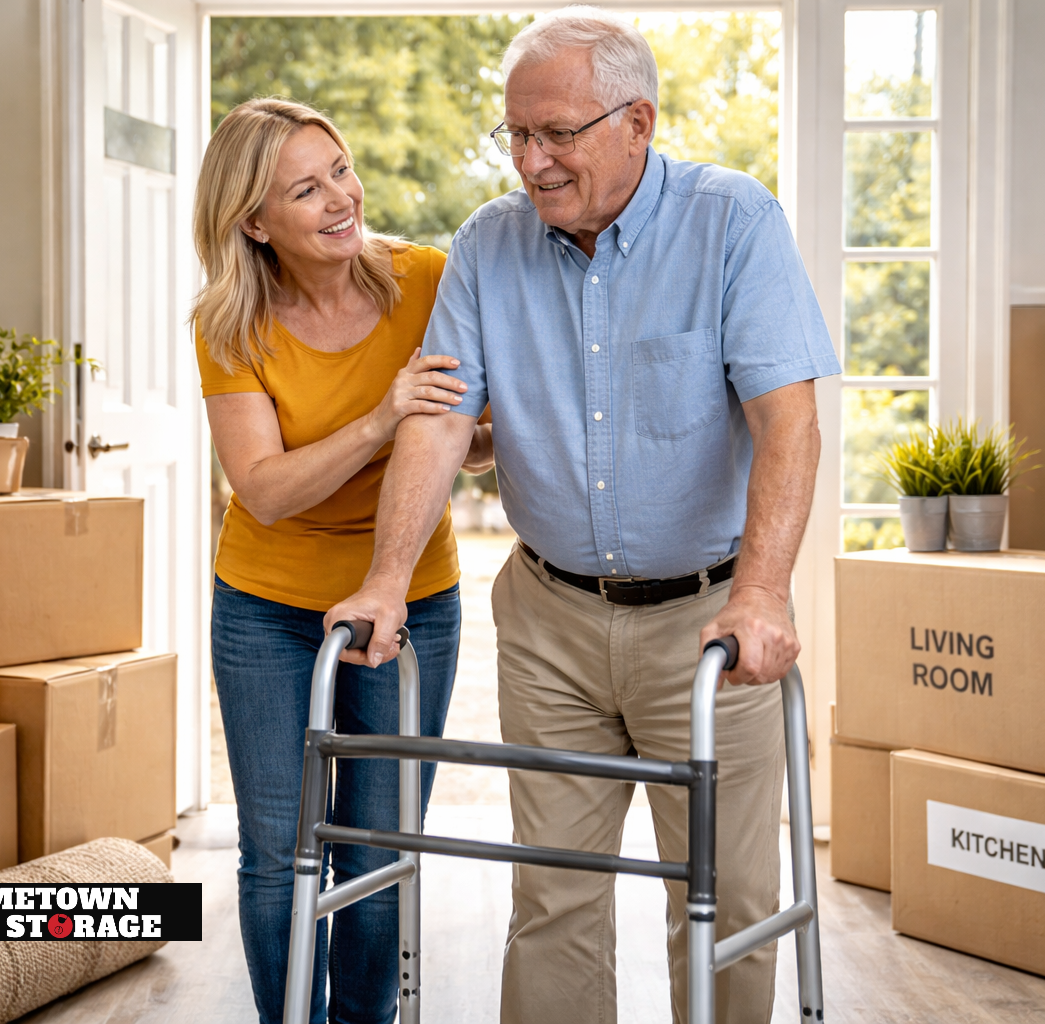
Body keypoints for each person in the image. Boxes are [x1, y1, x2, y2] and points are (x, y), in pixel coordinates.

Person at [325, 9, 840, 1023]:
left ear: (637, 122)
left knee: (728, 900)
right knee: (553, 897)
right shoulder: (488, 244)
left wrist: (764, 593)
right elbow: (439, 422)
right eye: (516, 135)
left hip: (707, 625)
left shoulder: (732, 222)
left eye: (557, 133)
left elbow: (789, 424)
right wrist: (386, 579)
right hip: (551, 620)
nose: (532, 161)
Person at [193, 98, 491, 1024]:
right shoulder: (230, 323)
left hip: (410, 602)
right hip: (267, 607)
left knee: (378, 846)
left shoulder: (427, 280)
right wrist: (382, 418)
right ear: (254, 222)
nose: (341, 199)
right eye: (305, 190)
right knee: (277, 851)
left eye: (343, 170)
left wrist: (463, 434)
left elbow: (474, 442)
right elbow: (264, 489)